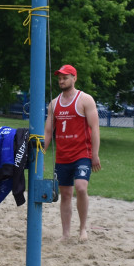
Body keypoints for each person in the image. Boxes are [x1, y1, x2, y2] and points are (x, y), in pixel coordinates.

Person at [43, 64, 101, 241]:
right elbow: (48, 131)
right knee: (66, 194)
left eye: (65, 77)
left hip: (82, 153)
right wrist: (42, 150)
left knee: (81, 187)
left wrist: (95, 154)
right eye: (59, 78)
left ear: (74, 78)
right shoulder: (54, 104)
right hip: (62, 156)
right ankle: (66, 234)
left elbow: (95, 127)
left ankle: (83, 229)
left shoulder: (85, 100)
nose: (61, 80)